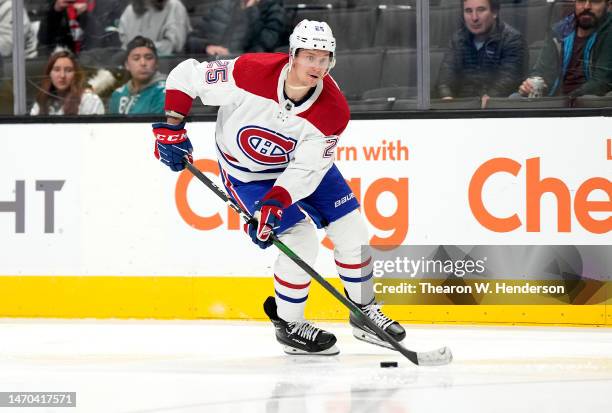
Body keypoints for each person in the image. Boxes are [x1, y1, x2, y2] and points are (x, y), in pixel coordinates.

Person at [152, 20, 406, 356]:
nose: (316, 66)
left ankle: (365, 314)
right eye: (309, 56)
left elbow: (308, 168)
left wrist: (277, 200)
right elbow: (187, 75)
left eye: (323, 58)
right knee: (299, 240)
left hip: (302, 166)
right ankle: (289, 325)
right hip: (248, 174)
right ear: (293, 55)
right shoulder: (249, 72)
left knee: (352, 230)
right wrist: (173, 128)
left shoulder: (333, 109)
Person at [437, 0, 527, 105]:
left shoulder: (513, 39)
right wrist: (447, 99)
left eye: (481, 10)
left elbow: (507, 81)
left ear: (495, 12)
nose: (474, 18)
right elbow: (444, 82)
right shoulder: (457, 40)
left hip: (499, 111)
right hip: (461, 110)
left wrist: (487, 104)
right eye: (468, 11)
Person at [517, 0, 612, 98]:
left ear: (608, 5)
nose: (586, 6)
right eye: (581, 1)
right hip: (555, 103)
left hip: (587, 104)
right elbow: (542, 72)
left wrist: (566, 101)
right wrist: (530, 85)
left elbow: (601, 83)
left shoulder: (609, 33)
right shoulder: (560, 31)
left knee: (590, 97)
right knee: (515, 98)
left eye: (595, 1)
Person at [186, 0, 285, 57]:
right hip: (210, 67)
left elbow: (263, 47)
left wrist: (250, 10)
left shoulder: (274, 10)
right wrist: (207, 47)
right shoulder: (221, 7)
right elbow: (191, 40)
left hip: (244, 71)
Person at [30, 49, 104, 115]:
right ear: (50, 74)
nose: (62, 75)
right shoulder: (42, 101)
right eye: (57, 70)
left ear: (75, 74)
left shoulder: (89, 100)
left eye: (68, 70)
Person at [37, 0, 124, 55]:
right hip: (64, 66)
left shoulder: (109, 5)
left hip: (93, 66)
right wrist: (55, 11)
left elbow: (110, 46)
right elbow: (43, 43)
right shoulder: (56, 5)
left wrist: (85, 17)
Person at [109, 36, 166, 115]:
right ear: (127, 65)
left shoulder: (165, 92)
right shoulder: (117, 94)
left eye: (148, 58)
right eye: (136, 58)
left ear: (156, 63)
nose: (143, 63)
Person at [118, 0, 190, 56]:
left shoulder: (174, 6)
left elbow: (174, 46)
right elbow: (125, 45)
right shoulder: (129, 10)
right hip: (133, 70)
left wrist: (138, 49)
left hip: (166, 67)